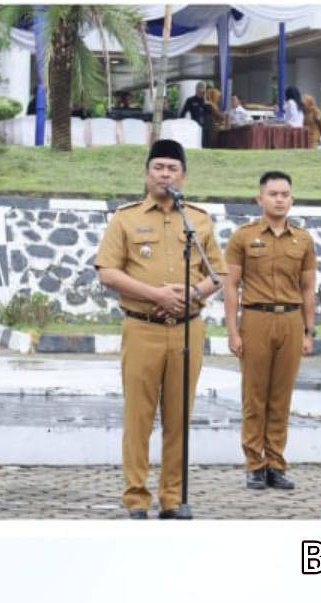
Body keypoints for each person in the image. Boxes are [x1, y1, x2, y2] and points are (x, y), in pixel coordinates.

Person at [94, 139, 225, 518]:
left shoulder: (197, 220)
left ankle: (173, 498)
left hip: (187, 329)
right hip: (143, 328)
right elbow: (107, 272)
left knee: (179, 416)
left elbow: (218, 273)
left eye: (172, 169)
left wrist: (193, 293)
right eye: (158, 167)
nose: (165, 174)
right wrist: (157, 295)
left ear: (184, 176)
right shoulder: (125, 218)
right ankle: (136, 497)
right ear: (146, 173)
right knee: (139, 416)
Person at [223, 171, 317, 490]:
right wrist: (233, 331)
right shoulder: (243, 237)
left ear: (292, 199)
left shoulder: (303, 239)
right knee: (254, 396)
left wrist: (309, 332)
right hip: (256, 319)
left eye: (285, 194)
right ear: (260, 199)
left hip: (290, 320)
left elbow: (308, 288)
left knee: (281, 397)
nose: (279, 199)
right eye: (273, 194)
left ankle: (276, 464)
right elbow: (231, 285)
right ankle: (254, 464)